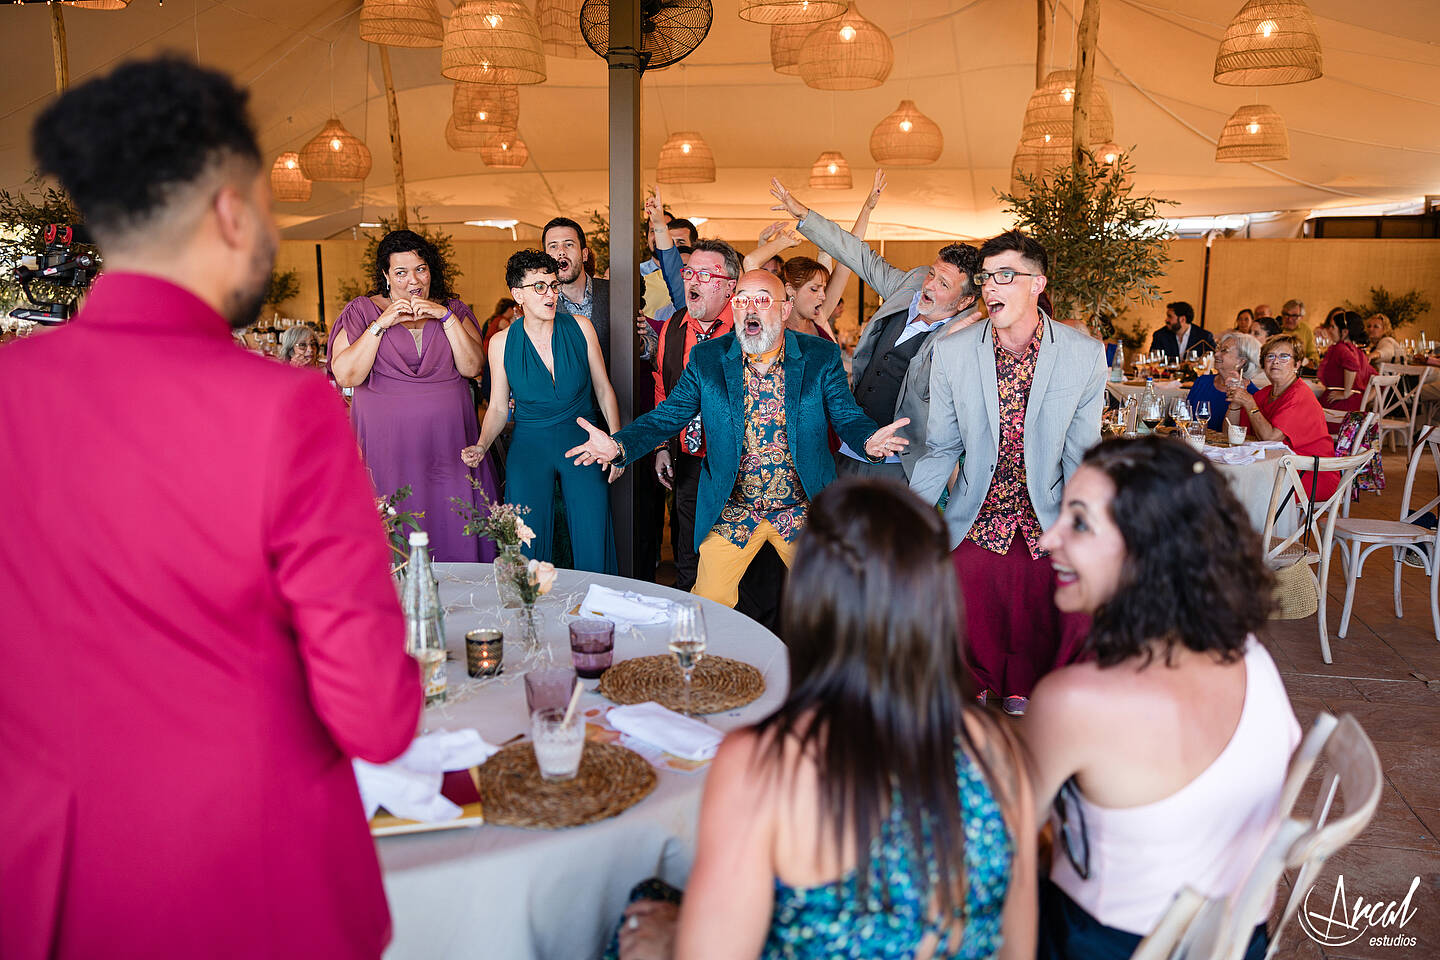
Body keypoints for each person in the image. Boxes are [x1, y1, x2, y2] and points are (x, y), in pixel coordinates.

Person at [0, 57, 421, 960]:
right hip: (250, 883)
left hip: (47, 882)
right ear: (231, 210)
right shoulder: (284, 407)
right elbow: (376, 716)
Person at [611, 479, 1037, 960]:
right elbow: (1018, 949)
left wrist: (670, 939)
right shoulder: (1000, 751)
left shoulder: (763, 761)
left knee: (640, 906)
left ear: (809, 601)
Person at [1024, 437, 1299, 960]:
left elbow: (1005, 850)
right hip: (1239, 940)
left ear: (1148, 547)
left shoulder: (1075, 701)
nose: (1046, 540)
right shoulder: (1252, 658)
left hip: (1102, 944)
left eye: (1079, 523)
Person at [565, 270, 909, 608]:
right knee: (707, 605)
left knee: (836, 603)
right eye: (742, 300)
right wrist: (619, 445)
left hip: (801, 508)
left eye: (762, 300)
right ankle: (710, 665)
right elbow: (667, 416)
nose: (751, 309)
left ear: (784, 309)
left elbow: (846, 415)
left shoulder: (820, 356)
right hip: (735, 510)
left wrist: (868, 441)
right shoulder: (708, 358)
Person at [909, 230, 1104, 717]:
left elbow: (1083, 455)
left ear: (1038, 284)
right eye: (986, 278)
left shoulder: (1084, 355)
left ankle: (1029, 679)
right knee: (952, 579)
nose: (991, 288)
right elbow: (942, 448)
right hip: (977, 512)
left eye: (1006, 276)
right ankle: (967, 675)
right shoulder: (952, 353)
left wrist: (1086, 530)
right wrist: (908, 519)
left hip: (1046, 513)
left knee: (1055, 585)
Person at [772, 176, 983, 482]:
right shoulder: (909, 286)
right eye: (933, 274)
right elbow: (857, 255)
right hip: (847, 448)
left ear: (964, 301)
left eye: (943, 284)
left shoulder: (964, 337)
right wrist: (804, 214)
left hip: (898, 466)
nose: (930, 285)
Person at [328, 229, 499, 561]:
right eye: (401, 272)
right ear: (386, 276)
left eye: (420, 269)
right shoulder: (362, 311)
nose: (413, 280)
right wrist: (381, 323)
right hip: (387, 448)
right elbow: (347, 374)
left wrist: (443, 316)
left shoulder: (453, 309)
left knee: (455, 523)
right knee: (394, 529)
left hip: (450, 445)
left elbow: (472, 365)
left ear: (431, 269)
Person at [462, 250, 619, 573]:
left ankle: (599, 613)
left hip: (583, 442)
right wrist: (481, 444)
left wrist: (616, 445)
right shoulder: (501, 343)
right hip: (530, 444)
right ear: (517, 294)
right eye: (539, 287)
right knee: (525, 540)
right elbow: (496, 407)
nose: (550, 294)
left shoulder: (581, 327)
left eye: (553, 285)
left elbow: (604, 389)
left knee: (593, 534)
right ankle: (530, 611)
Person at [645, 195, 738, 591]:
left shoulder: (748, 330)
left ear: (730, 286)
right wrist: (663, 446)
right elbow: (664, 390)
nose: (692, 280)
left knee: (736, 556)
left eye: (705, 274)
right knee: (688, 552)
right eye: (689, 274)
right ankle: (690, 637)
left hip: (738, 461)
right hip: (688, 459)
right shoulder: (675, 327)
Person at [1228, 333, 1338, 500]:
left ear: (1297, 364)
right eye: (1270, 356)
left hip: (1309, 473)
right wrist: (1235, 404)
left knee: (1240, 487)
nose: (1276, 361)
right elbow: (1234, 434)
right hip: (1275, 468)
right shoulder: (1265, 394)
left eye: (1284, 356)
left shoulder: (1299, 395)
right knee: (1229, 482)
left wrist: (1249, 404)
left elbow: (1271, 438)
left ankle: (1257, 526)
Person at [544, 216, 613, 368]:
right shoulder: (539, 303)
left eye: (569, 244)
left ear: (584, 254)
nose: (561, 252)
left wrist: (640, 343)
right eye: (553, 246)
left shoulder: (614, 292)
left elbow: (651, 346)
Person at [1187, 331, 1261, 430]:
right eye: (1218, 348)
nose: (1216, 354)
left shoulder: (1252, 395)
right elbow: (1184, 417)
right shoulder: (1202, 382)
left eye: (1224, 350)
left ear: (1241, 361)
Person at [1317, 310, 1372, 417]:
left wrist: (1346, 393)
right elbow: (1378, 382)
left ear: (1345, 332)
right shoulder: (1359, 353)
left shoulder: (1340, 348)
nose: (1329, 330)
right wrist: (1363, 401)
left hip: (1337, 413)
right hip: (1354, 413)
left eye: (1333, 327)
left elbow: (1352, 365)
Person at [1148, 300, 1214, 360]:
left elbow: (1213, 360)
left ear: (1182, 319)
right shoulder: (1160, 335)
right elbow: (1153, 360)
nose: (1166, 320)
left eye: (1170, 316)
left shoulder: (1204, 337)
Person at [1278, 299, 1319, 367]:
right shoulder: (1276, 328)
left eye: (1294, 316)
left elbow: (1313, 354)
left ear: (1301, 317)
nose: (1290, 319)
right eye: (1286, 315)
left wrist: (1311, 361)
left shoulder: (1306, 330)